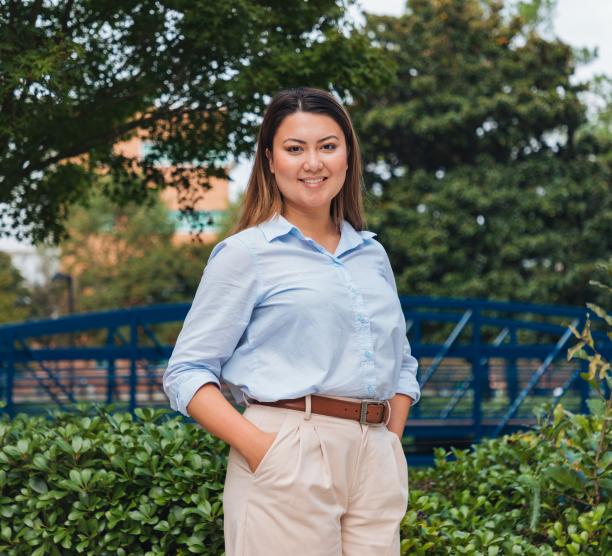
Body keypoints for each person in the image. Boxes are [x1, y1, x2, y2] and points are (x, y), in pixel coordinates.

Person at [162, 86, 421, 556]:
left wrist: (389, 442)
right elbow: (186, 372)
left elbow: (401, 362)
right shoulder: (246, 254)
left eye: (327, 146)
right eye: (295, 149)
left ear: (347, 157)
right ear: (270, 160)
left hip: (375, 459)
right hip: (289, 449)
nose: (313, 163)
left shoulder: (372, 254)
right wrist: (266, 450)